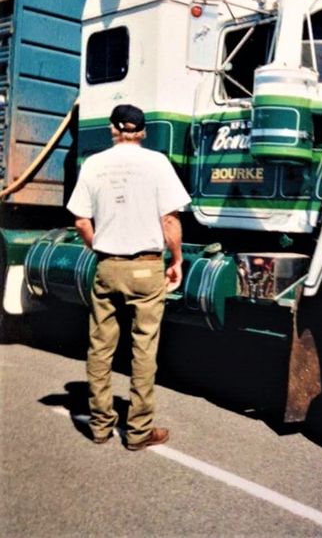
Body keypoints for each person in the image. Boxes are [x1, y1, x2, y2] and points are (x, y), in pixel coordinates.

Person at [67, 104, 191, 450]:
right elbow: (169, 220)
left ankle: (101, 425)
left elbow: (80, 220)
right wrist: (177, 259)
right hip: (146, 267)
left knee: (100, 347)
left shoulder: (94, 164)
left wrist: (101, 249)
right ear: (144, 131)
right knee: (143, 348)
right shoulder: (157, 163)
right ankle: (138, 432)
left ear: (112, 129)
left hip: (107, 265)